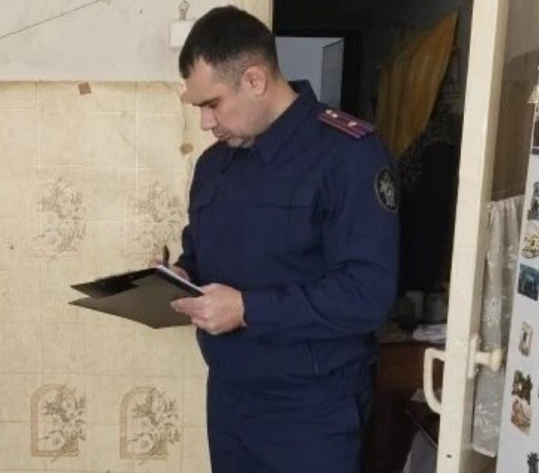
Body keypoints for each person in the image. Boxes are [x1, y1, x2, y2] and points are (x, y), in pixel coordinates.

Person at [166, 6, 400, 472]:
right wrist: (178, 274)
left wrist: (247, 309)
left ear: (254, 80)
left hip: (312, 413)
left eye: (212, 104)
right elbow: (200, 251)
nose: (206, 123)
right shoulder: (214, 166)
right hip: (229, 400)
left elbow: (367, 295)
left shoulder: (347, 156)